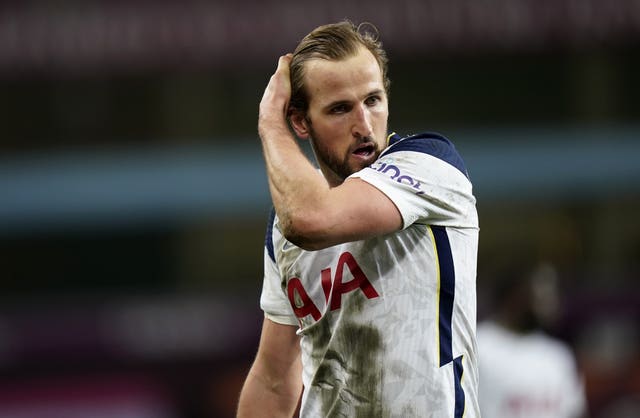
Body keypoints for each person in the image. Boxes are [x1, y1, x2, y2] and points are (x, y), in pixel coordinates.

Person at [237, 20, 480, 417]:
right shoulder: (283, 227)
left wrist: (268, 122)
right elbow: (274, 378)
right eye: (339, 109)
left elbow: (312, 219)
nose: (364, 125)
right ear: (300, 122)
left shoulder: (428, 165)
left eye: (373, 100)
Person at [477, 260, 587, 418]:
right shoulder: (479, 345)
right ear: (514, 294)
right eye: (541, 291)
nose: (549, 301)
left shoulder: (559, 355)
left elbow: (574, 411)